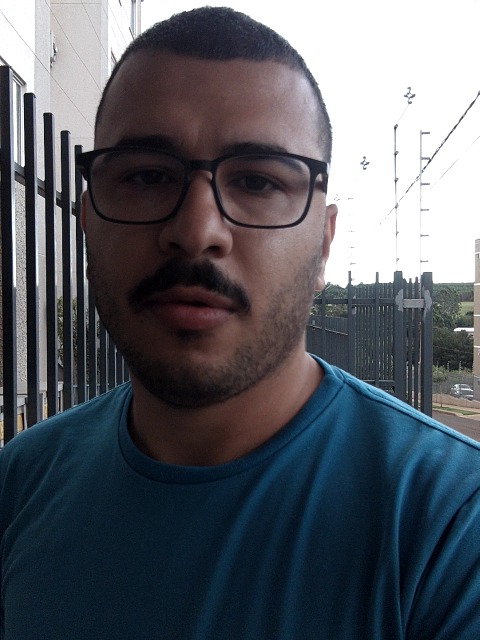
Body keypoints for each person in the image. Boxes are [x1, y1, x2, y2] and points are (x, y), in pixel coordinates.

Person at [0, 7, 478, 639]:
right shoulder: (20, 484)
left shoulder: (452, 527)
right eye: (146, 175)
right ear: (87, 220)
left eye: (256, 181)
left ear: (323, 241)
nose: (197, 231)